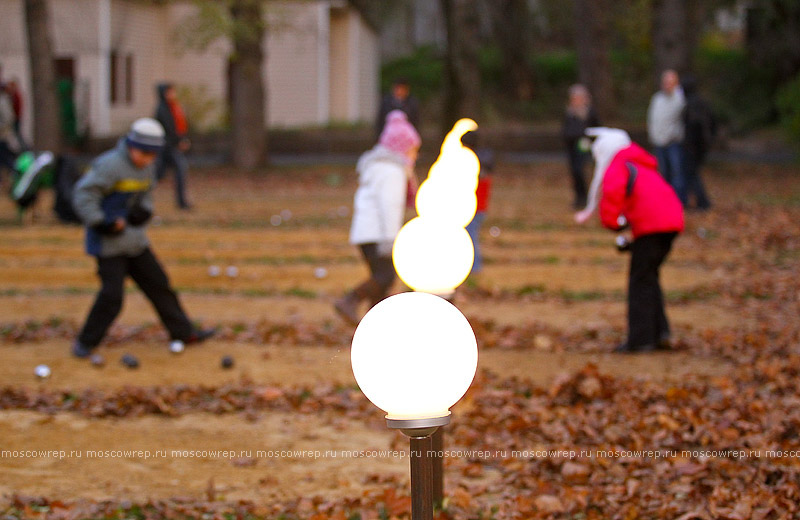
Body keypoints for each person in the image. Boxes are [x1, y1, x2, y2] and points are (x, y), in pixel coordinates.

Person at [71, 118, 215, 359]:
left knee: (159, 285)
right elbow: (83, 194)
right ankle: (85, 342)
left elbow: (145, 196)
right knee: (112, 296)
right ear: (130, 145)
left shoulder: (147, 168)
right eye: (143, 153)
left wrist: (144, 212)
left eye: (152, 155)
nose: (146, 159)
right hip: (109, 245)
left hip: (135, 242)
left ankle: (183, 332)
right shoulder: (109, 166)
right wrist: (100, 222)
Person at [575, 127, 684, 353]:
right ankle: (660, 332)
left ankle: (641, 339)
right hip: (670, 223)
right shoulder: (640, 162)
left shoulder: (618, 165)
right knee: (649, 278)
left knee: (639, 282)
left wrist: (613, 224)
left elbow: (611, 194)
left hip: (651, 226)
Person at [335, 110, 421, 325]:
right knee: (386, 276)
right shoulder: (392, 171)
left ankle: (376, 323)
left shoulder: (377, 167)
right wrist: (389, 241)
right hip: (378, 234)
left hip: (366, 233)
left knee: (381, 283)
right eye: (413, 150)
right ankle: (350, 300)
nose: (415, 155)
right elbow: (389, 207)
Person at [647, 69, 686, 204]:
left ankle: (679, 200)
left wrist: (672, 135)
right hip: (658, 141)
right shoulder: (657, 98)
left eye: (670, 82)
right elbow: (653, 119)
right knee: (664, 173)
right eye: (665, 82)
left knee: (677, 173)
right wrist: (653, 135)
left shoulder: (680, 99)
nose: (667, 85)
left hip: (673, 142)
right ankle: (666, 201)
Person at [461, 130, 494, 275]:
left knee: (471, 237)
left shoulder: (473, 165)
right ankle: (473, 267)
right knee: (471, 236)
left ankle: (474, 268)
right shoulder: (484, 162)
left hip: (474, 208)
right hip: (480, 207)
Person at [154, 83, 192, 209]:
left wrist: (182, 139)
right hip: (167, 148)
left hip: (170, 147)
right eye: (170, 92)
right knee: (159, 175)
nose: (173, 94)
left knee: (160, 174)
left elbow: (179, 126)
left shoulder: (173, 107)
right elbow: (169, 129)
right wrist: (179, 141)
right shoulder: (162, 109)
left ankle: (182, 202)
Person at [562, 84, 599, 208]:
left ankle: (587, 197)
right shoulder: (569, 112)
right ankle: (579, 197)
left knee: (581, 171)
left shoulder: (590, 113)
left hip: (583, 147)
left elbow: (596, 129)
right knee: (574, 172)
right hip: (571, 147)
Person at [681, 75, 715, 211]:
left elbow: (695, 126)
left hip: (693, 146)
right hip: (700, 145)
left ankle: (702, 202)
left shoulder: (692, 105)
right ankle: (699, 201)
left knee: (692, 174)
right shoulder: (702, 103)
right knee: (693, 173)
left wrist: (690, 143)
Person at [5, 78, 27, 151]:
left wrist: (14, 117)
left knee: (17, 134)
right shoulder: (14, 95)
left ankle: (25, 149)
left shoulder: (16, 95)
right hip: (15, 118)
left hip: (16, 118)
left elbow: (16, 109)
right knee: (16, 134)